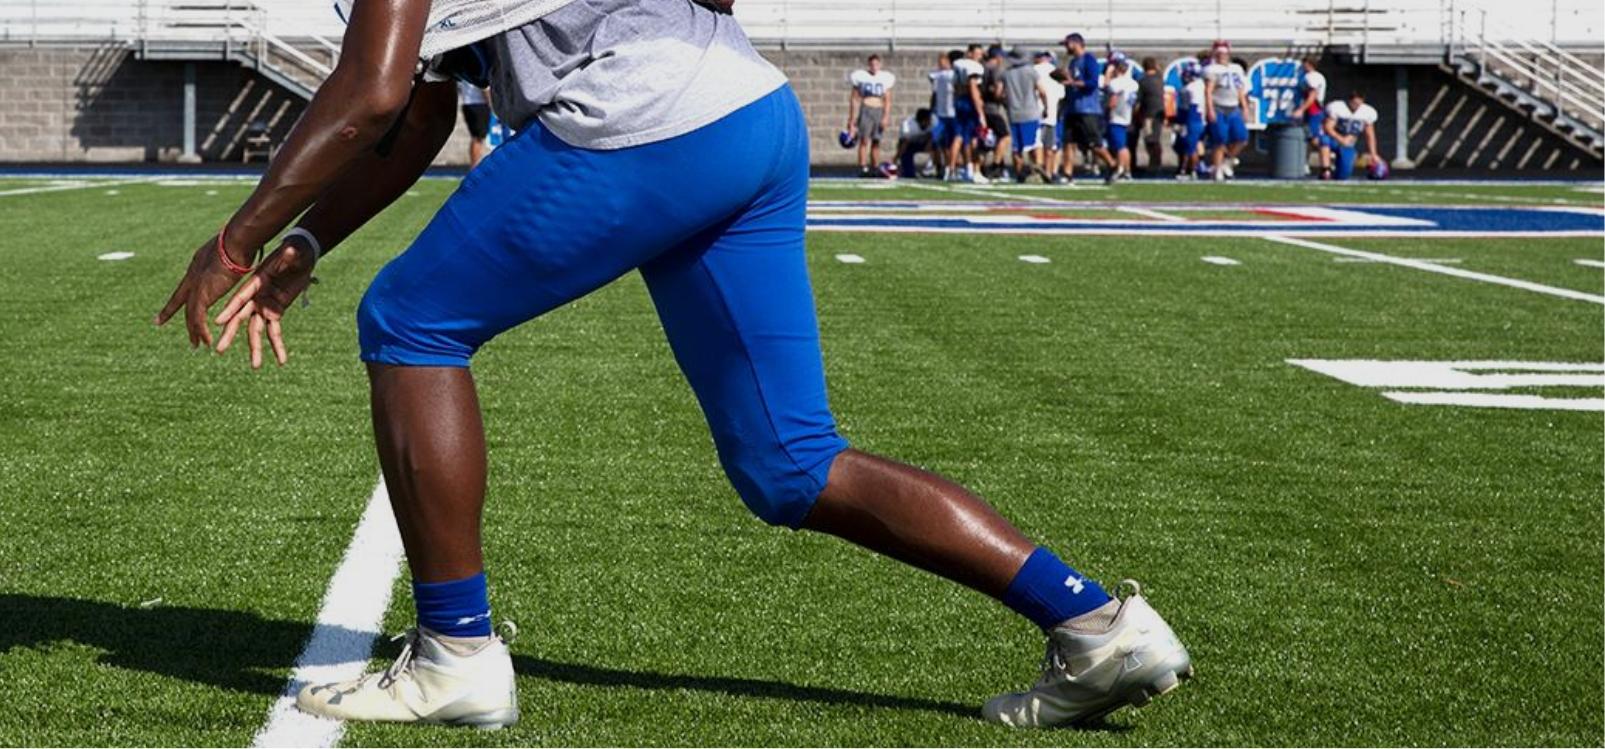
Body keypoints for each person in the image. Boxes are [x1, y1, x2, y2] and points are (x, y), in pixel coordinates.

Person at [153, 0, 1191, 732]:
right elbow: (424, 108)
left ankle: (456, 652)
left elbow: (374, 91)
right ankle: (1096, 620)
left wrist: (240, 236)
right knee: (788, 463)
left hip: (644, 106)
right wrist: (310, 240)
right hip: (748, 106)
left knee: (412, 321)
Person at [1057, 33, 1116, 185]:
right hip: (1072, 108)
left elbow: (1092, 83)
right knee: (1068, 142)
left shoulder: (1089, 60)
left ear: (1076, 43)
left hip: (1087, 109)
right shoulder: (1072, 62)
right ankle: (1067, 173)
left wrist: (1072, 82)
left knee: (1094, 143)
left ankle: (1112, 164)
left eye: (1068, 44)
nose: (1066, 47)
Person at [1002, 47, 1050, 182]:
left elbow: (999, 93)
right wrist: (1046, 107)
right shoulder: (1031, 72)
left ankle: (1019, 174)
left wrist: (1008, 102)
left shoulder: (1007, 74)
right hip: (1031, 111)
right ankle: (1038, 166)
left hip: (1014, 112)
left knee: (1017, 147)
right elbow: (1042, 91)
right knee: (1035, 143)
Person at [1202, 40, 1248, 182]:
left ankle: (1226, 161)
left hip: (1233, 107)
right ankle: (1217, 169)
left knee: (1242, 138)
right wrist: (1209, 109)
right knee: (1220, 140)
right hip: (1219, 107)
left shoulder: (1236, 69)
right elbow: (1208, 91)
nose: (1222, 56)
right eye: (1219, 53)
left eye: (1224, 53)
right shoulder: (1211, 69)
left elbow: (1240, 90)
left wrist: (1245, 107)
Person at [847, 54, 896, 178]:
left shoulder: (885, 78)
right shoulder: (861, 77)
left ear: (880, 65)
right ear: (869, 65)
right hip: (866, 109)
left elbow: (888, 100)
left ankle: (875, 167)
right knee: (864, 140)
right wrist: (852, 118)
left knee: (876, 141)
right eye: (872, 64)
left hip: (878, 109)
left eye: (876, 64)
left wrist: (886, 116)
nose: (874, 67)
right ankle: (863, 166)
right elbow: (854, 98)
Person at [948, 44, 989, 183]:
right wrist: (981, 112)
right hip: (969, 103)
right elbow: (973, 89)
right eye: (977, 53)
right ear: (970, 53)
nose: (980, 56)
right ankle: (976, 171)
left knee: (960, 136)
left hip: (959, 101)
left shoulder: (958, 65)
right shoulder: (973, 67)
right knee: (974, 137)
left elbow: (955, 86)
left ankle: (953, 169)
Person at [1321, 90, 1379, 180]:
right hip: (1334, 139)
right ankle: (1325, 170)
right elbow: (1327, 127)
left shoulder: (1367, 112)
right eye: (1354, 103)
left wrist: (1373, 154)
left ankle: (1335, 171)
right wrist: (1341, 139)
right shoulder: (1337, 107)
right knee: (1324, 140)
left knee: (1343, 175)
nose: (1356, 105)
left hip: (1348, 144)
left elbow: (1370, 135)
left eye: (1358, 103)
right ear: (1349, 101)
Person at [1103, 52, 1139, 183]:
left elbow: (1112, 101)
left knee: (1120, 147)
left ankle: (1120, 169)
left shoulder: (1115, 83)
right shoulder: (1133, 83)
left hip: (1116, 117)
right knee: (1124, 146)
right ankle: (1127, 171)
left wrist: (1106, 111)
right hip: (1127, 116)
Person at [1294, 57, 1330, 179]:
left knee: (1314, 138)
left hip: (1314, 110)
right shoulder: (1314, 76)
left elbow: (1312, 96)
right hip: (1313, 110)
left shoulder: (1312, 77)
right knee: (1309, 137)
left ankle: (1326, 162)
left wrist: (1301, 109)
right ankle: (1306, 162)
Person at [981, 45, 1012, 177]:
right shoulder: (996, 70)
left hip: (982, 108)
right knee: (1005, 137)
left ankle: (981, 167)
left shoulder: (982, 68)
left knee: (985, 140)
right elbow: (997, 91)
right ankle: (996, 165)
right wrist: (1005, 100)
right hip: (992, 109)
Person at [1173, 59, 1206, 180]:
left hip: (1192, 119)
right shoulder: (1202, 85)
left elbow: (1186, 109)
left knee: (1189, 147)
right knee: (1196, 145)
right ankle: (1193, 169)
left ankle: (1189, 170)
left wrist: (1179, 121)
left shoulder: (1188, 89)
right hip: (1201, 119)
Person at [1032, 50, 1063, 177]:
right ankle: (1049, 172)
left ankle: (1038, 170)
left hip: (1034, 112)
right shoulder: (1056, 71)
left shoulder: (1033, 70)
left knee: (1036, 144)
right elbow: (1062, 95)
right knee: (1050, 146)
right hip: (1051, 113)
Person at [1134, 56, 1167, 174]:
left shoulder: (1143, 81)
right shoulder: (1160, 79)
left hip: (1149, 114)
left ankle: (1154, 164)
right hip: (1160, 112)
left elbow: (1138, 101)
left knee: (1150, 140)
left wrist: (1136, 114)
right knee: (1156, 138)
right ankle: (1156, 163)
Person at [928, 51, 958, 177]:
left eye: (943, 61)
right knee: (936, 141)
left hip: (952, 114)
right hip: (940, 114)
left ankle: (951, 167)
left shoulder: (952, 75)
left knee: (952, 142)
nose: (941, 64)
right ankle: (939, 166)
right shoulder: (938, 76)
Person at [458, 81, 491, 167]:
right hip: (478, 103)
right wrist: (491, 102)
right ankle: (474, 166)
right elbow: (484, 86)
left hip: (468, 103)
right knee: (478, 138)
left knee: (477, 137)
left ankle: (475, 164)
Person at [894, 107, 935, 178]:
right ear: (923, 121)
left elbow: (932, 137)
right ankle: (908, 170)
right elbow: (904, 144)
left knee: (936, 145)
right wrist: (897, 157)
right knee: (909, 174)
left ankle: (933, 168)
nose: (930, 122)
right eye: (928, 120)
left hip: (924, 143)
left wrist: (927, 152)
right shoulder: (908, 126)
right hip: (910, 145)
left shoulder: (934, 121)